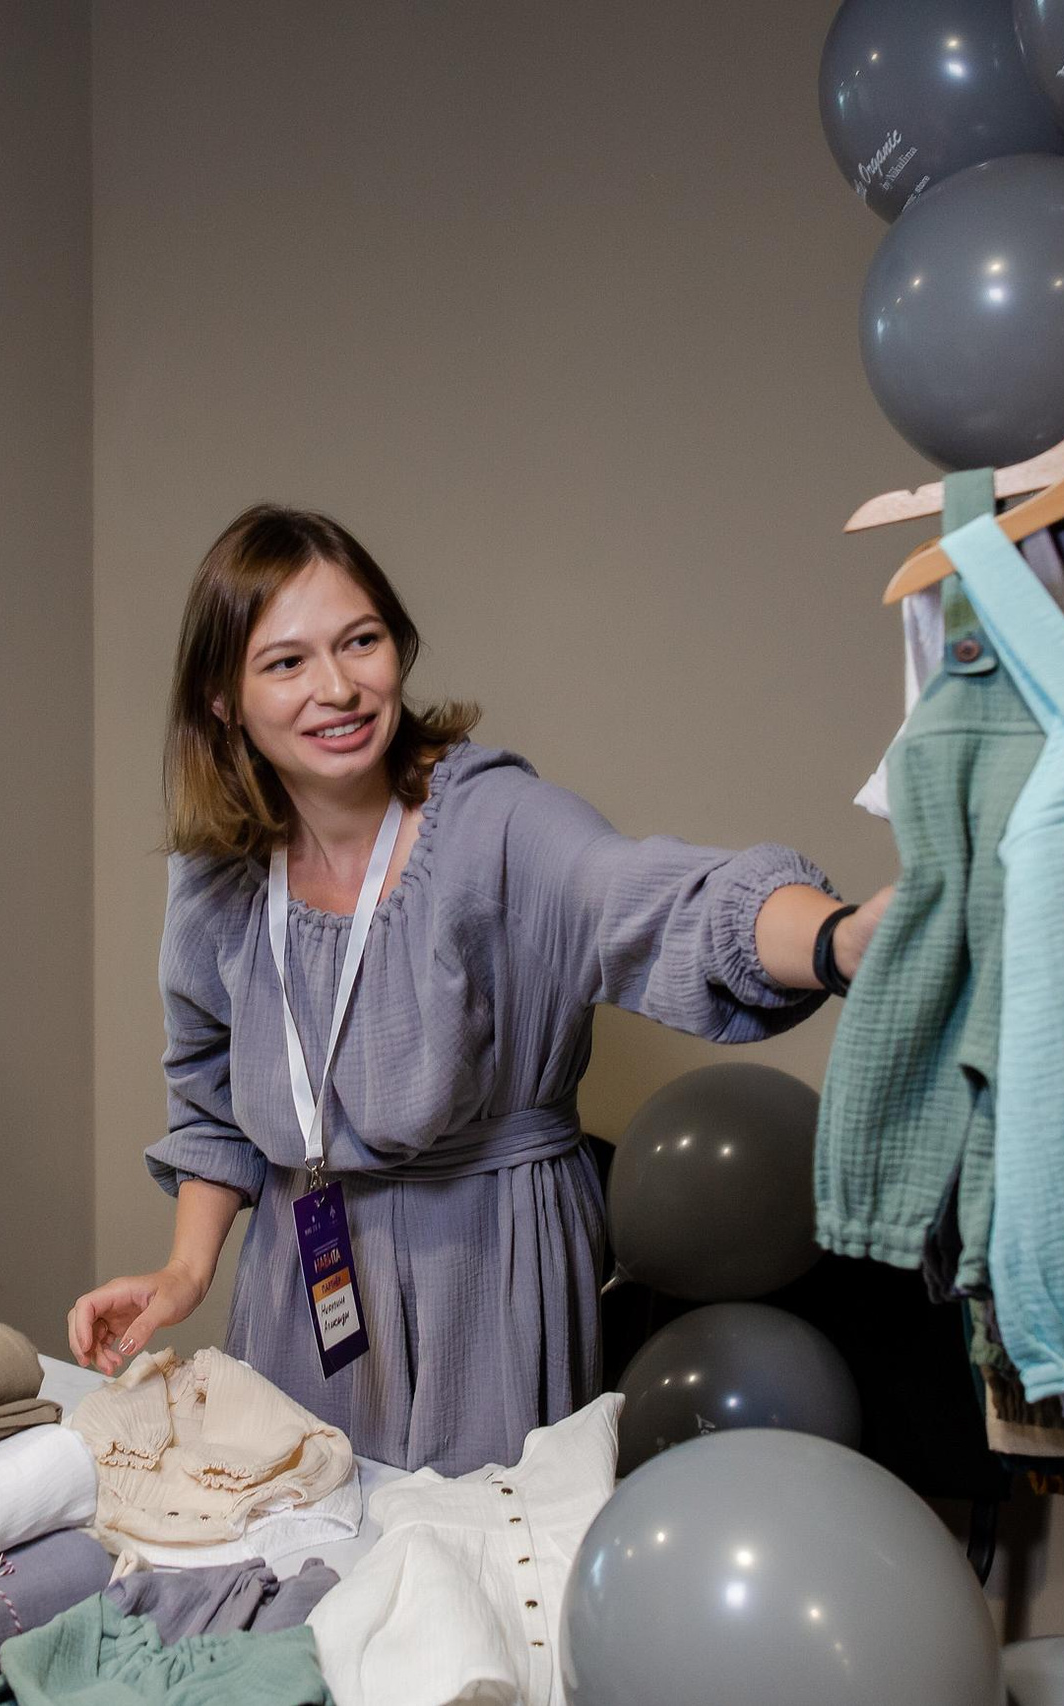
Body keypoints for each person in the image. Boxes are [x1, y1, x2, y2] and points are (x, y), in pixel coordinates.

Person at [69, 505, 888, 1475]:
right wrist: (185, 1267)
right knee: (301, 1568)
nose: (337, 686)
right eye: (285, 662)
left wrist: (837, 938)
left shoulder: (494, 820)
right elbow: (208, 1092)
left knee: (486, 1589)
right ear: (221, 699)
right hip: (303, 1268)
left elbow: (641, 896)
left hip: (490, 1260)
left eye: (360, 641)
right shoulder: (217, 878)